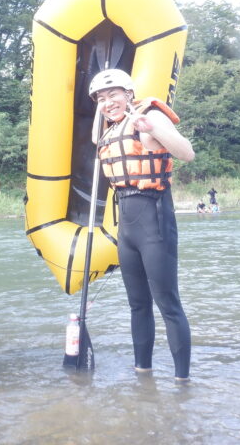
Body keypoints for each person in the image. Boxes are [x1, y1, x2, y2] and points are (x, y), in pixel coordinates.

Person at [89, 69, 195, 382]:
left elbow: (187, 153)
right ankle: (142, 376)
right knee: (137, 305)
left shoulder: (148, 116)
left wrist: (154, 130)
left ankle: (182, 383)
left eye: (114, 96)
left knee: (168, 303)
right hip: (127, 228)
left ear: (129, 95)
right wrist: (100, 110)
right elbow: (97, 137)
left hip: (154, 220)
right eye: (102, 99)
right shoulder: (109, 130)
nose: (109, 103)